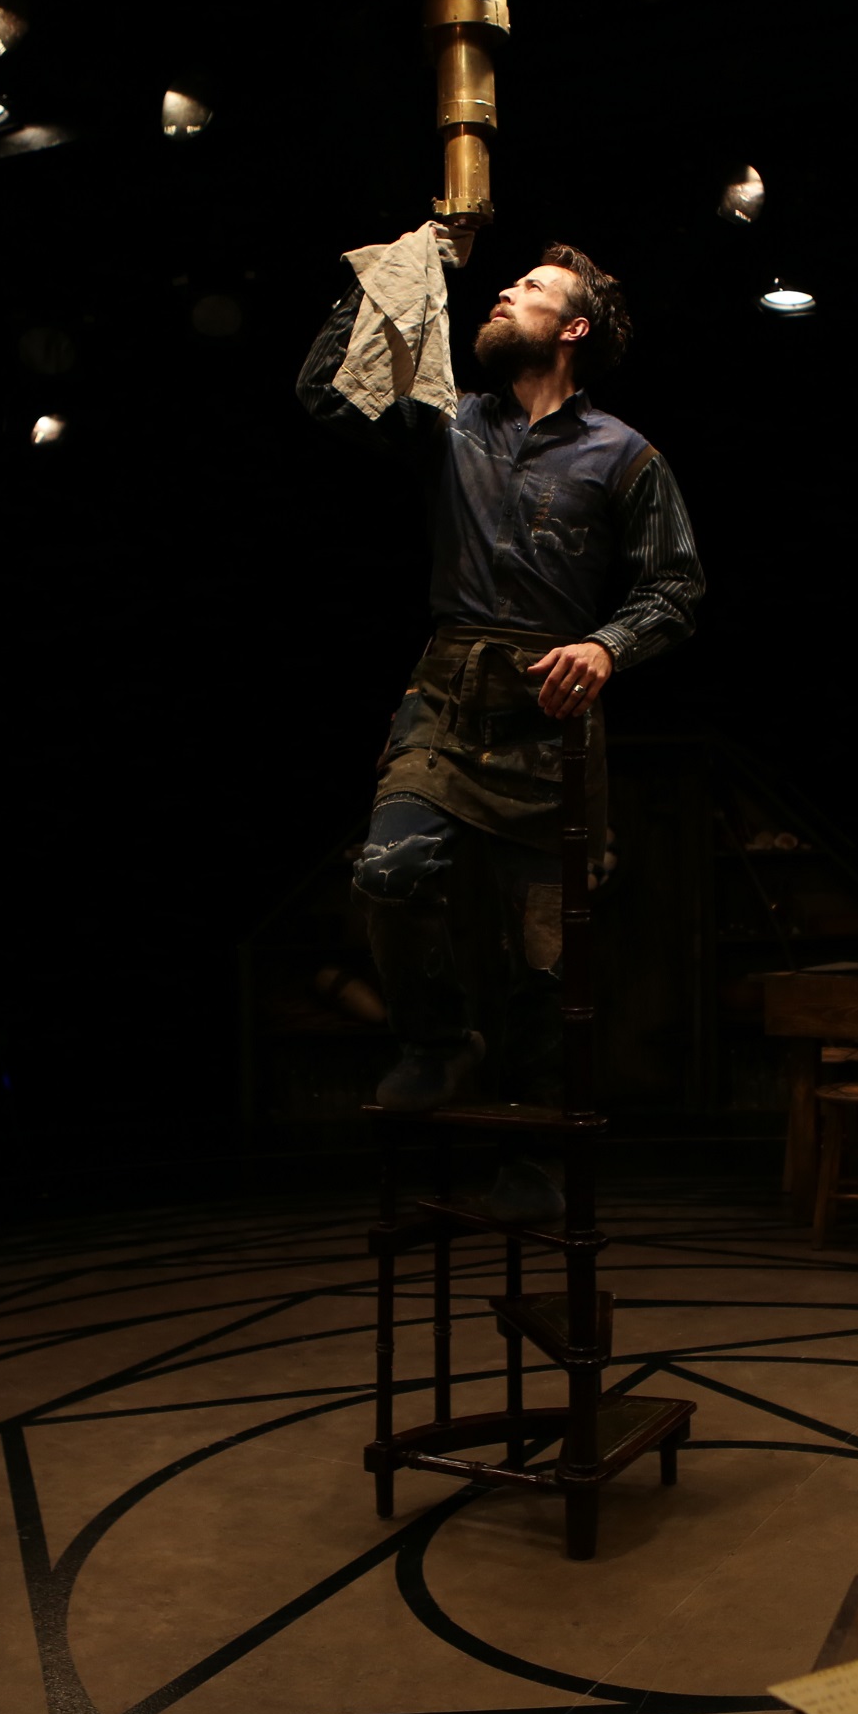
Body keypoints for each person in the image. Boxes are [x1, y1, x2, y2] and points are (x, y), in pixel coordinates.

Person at [296, 221, 704, 1221]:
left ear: (573, 328)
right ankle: (438, 1043)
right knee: (390, 873)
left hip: (550, 715)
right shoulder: (450, 422)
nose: (505, 293)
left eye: (528, 286)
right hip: (447, 691)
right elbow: (328, 391)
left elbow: (677, 587)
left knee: (545, 963)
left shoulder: (624, 455)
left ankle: (532, 1158)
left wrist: (606, 647)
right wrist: (413, 266)